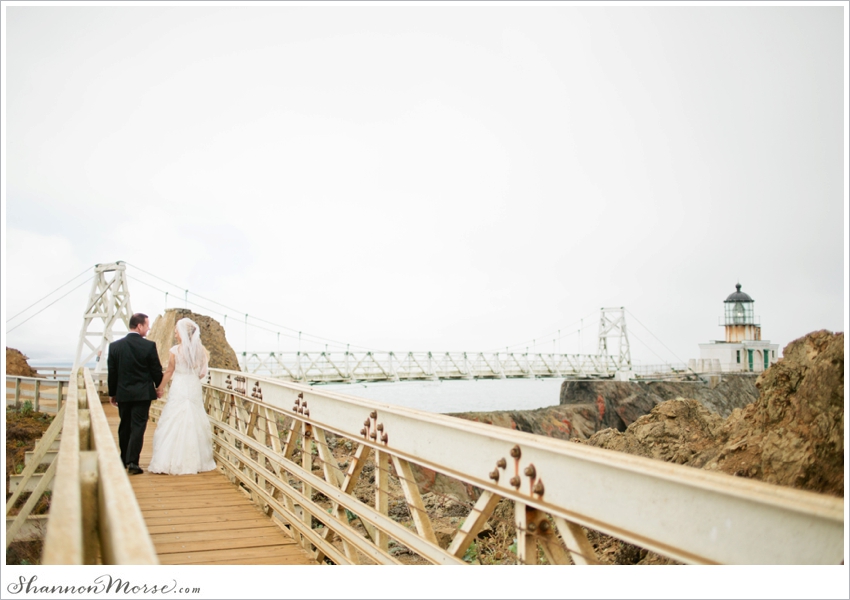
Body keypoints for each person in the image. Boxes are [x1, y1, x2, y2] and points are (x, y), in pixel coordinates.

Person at [148, 317, 216, 475]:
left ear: (183, 333)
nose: (175, 334)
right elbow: (202, 373)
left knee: (174, 417)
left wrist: (160, 388)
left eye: (177, 332)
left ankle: (170, 458)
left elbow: (170, 371)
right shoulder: (201, 351)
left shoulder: (175, 351)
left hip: (179, 385)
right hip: (192, 386)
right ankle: (196, 459)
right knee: (194, 417)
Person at [108, 312, 163, 475]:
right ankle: (133, 462)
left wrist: (112, 393)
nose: (148, 328)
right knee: (138, 427)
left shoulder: (115, 346)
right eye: (147, 325)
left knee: (124, 425)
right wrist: (158, 387)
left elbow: (113, 372)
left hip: (123, 393)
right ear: (139, 326)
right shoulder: (149, 346)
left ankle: (123, 458)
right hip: (142, 394)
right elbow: (156, 370)